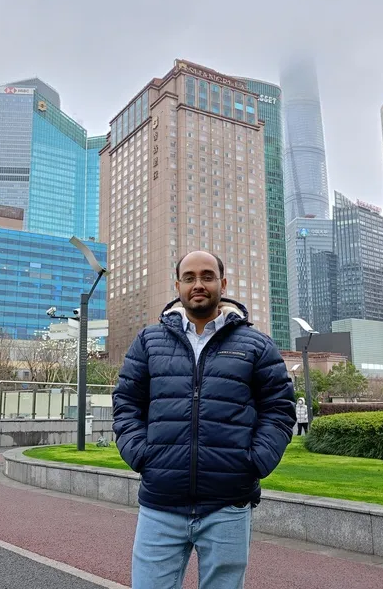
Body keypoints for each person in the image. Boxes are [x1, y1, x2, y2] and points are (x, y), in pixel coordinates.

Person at [112, 250, 296, 589]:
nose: (199, 284)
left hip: (228, 504)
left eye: (207, 277)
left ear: (222, 284)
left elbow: (279, 409)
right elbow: (126, 403)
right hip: (161, 501)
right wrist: (142, 456)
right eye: (190, 277)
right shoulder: (149, 341)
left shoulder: (256, 344)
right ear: (178, 286)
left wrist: (254, 462)